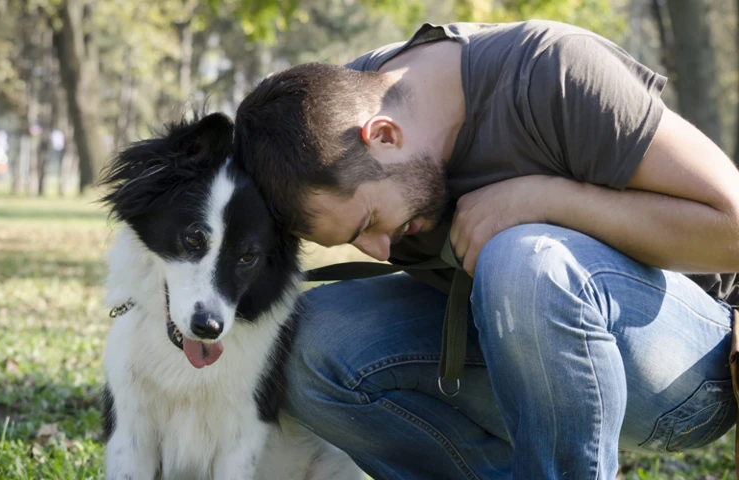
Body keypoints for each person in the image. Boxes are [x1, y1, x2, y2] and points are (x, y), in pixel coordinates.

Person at [233, 20, 739, 479]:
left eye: (368, 223)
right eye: (354, 240)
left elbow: (734, 229)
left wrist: (547, 199)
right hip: (512, 355)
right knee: (300, 345)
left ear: (384, 136)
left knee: (525, 261)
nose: (380, 250)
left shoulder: (551, 71)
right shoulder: (319, 125)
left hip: (685, 368)